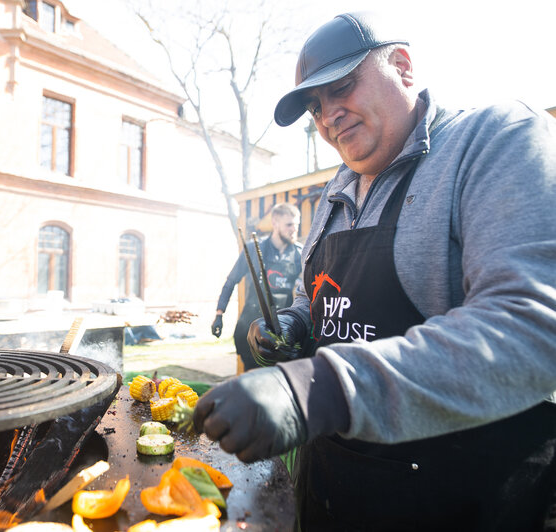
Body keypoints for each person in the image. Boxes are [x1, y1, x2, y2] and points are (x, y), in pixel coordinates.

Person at [194, 11, 556, 530]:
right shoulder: (334, 193)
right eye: (315, 107)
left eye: (341, 87)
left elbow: (533, 329)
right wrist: (294, 327)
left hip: (461, 501)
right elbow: (313, 296)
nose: (327, 116)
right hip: (333, 492)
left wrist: (316, 391)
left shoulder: (497, 140)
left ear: (403, 68)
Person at [211, 203, 303, 371]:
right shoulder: (254, 249)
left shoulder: (299, 253)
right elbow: (231, 281)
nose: (294, 229)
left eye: (297, 224)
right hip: (252, 325)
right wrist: (219, 313)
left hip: (281, 329)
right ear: (275, 223)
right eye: (289, 224)